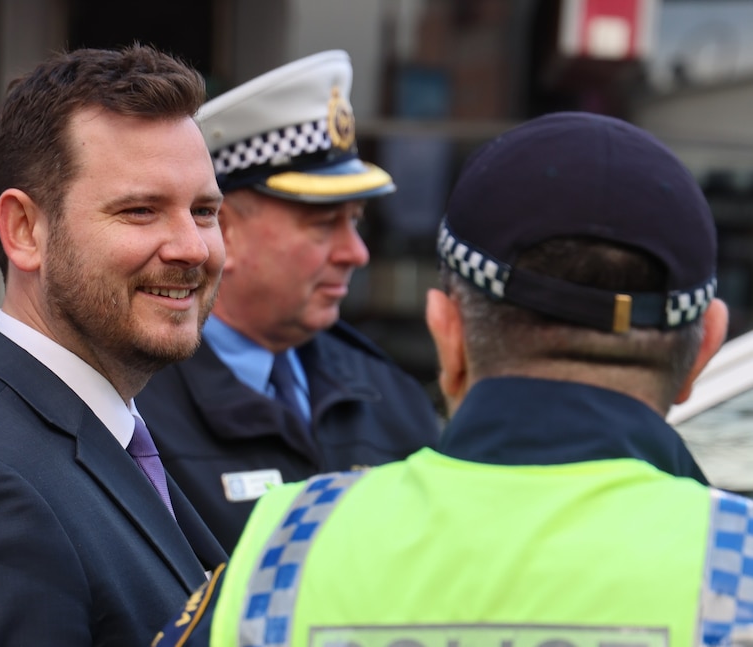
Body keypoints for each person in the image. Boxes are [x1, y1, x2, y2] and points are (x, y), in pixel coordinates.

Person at [152, 111, 753, 647]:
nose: (353, 251)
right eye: (321, 223)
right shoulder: (738, 568)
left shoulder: (282, 553)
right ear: (704, 346)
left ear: (448, 334)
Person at [0, 44, 228, 647]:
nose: (192, 248)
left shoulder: (94, 433)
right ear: (24, 231)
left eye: (204, 211)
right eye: (140, 210)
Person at [136, 49, 440, 554]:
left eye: (356, 221)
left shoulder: (388, 396)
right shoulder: (136, 408)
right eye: (324, 225)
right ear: (223, 228)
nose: (357, 253)